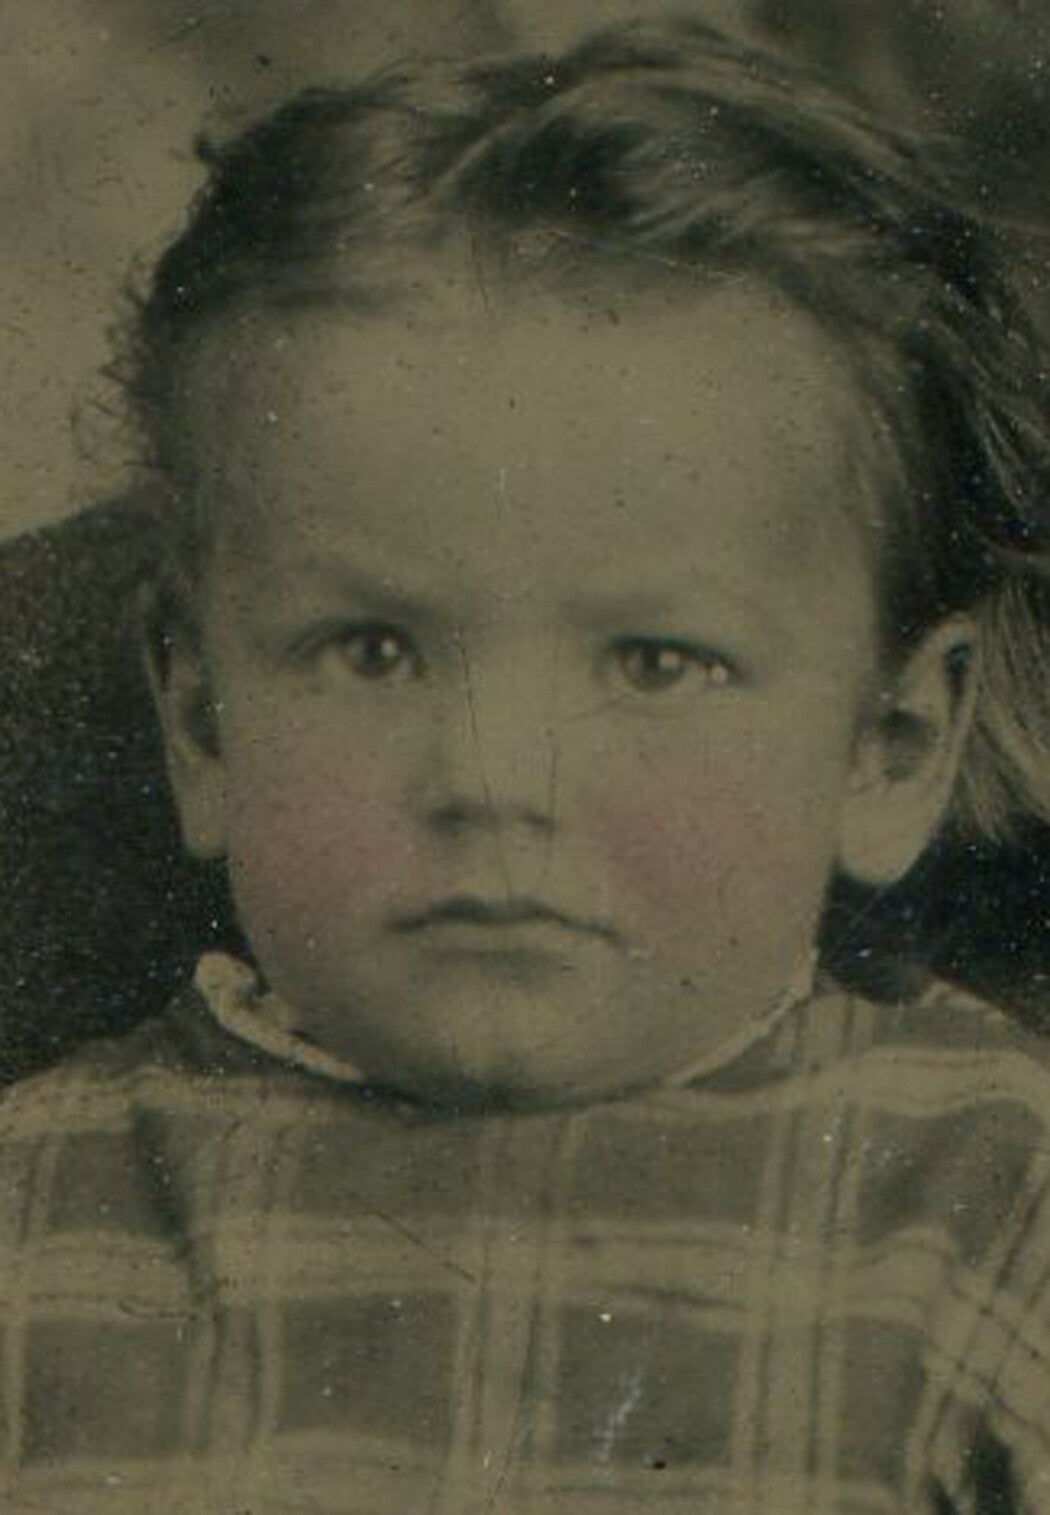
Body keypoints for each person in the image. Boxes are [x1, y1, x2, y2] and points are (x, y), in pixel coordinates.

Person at [3, 13, 1050, 1512]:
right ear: (203, 721)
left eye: (653, 663)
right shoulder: (40, 1207)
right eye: (373, 651)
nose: (493, 776)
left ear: (890, 748)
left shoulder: (985, 1199)